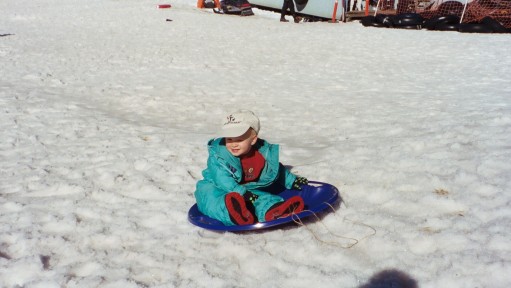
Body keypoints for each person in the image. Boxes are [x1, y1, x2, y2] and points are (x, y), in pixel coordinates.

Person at [194, 110, 309, 226]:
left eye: (239, 140)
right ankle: (232, 212)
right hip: (216, 185)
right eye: (229, 139)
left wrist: (291, 180)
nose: (233, 144)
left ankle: (273, 210)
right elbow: (221, 178)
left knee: (261, 198)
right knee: (209, 198)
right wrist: (241, 193)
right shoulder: (219, 154)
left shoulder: (261, 154)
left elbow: (273, 169)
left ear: (253, 139)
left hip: (247, 189)